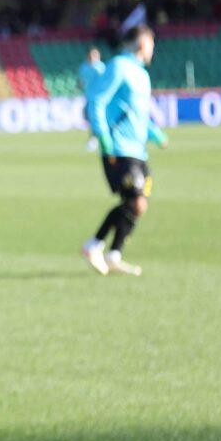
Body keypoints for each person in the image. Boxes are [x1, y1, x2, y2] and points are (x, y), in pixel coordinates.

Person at [82, 24, 168, 277]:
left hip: (138, 150)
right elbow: (96, 101)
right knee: (135, 200)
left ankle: (114, 254)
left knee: (139, 204)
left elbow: (138, 114)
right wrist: (104, 139)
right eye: (152, 43)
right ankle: (94, 245)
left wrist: (155, 134)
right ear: (142, 43)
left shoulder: (142, 75)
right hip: (119, 148)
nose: (153, 49)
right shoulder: (118, 66)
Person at [79, 46, 106, 151]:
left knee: (98, 118)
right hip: (89, 97)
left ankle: (95, 139)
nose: (93, 57)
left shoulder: (100, 68)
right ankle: (95, 138)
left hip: (99, 98)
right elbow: (82, 81)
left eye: (95, 55)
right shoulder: (84, 67)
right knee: (91, 119)